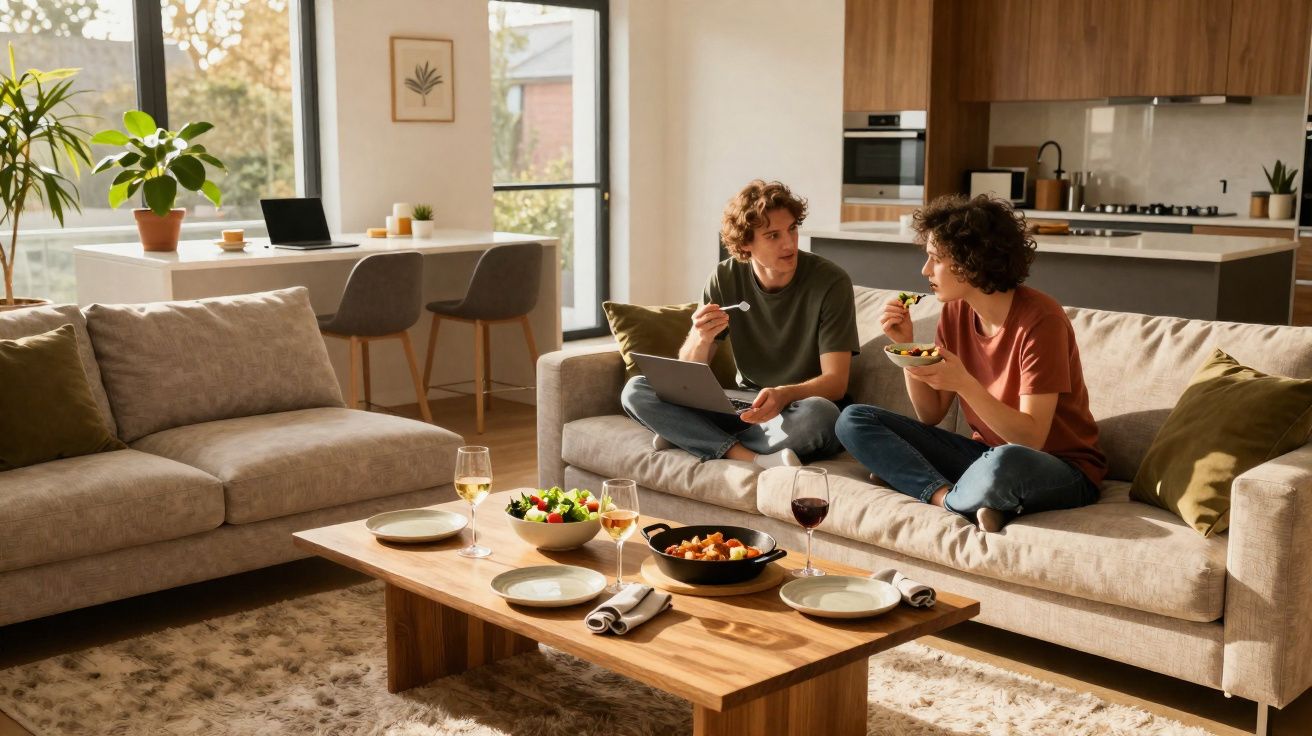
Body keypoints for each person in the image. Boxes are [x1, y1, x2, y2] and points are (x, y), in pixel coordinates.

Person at [835, 194, 1106, 531]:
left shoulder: (1041, 321)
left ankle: (945, 489)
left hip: (1058, 467)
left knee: (1007, 460)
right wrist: (906, 347)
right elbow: (930, 414)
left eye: (935, 259)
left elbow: (1031, 438)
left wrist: (965, 383)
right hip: (983, 457)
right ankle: (949, 497)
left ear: (970, 261)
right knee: (853, 420)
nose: (925, 270)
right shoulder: (955, 311)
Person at [621, 179, 860, 468]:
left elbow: (835, 383)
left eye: (792, 229)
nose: (789, 243)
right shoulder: (724, 278)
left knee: (822, 416)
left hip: (798, 406)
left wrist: (784, 395)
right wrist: (700, 337)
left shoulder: (831, 282)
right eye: (773, 235)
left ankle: (691, 436)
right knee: (637, 389)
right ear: (745, 243)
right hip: (743, 402)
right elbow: (690, 375)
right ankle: (750, 456)